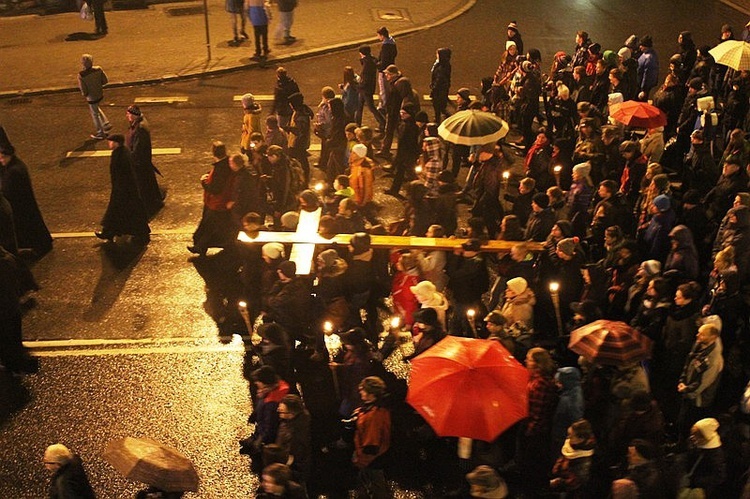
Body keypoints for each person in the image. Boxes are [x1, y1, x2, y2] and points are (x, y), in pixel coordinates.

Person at [96, 134, 150, 245]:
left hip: (124, 190)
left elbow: (124, 174)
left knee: (119, 212)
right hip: (123, 189)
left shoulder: (122, 155)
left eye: (111, 142)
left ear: (116, 143)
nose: (109, 144)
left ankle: (110, 232)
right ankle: (109, 232)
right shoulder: (120, 152)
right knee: (120, 212)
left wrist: (120, 189)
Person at [0, 145, 52, 257]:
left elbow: (8, 190)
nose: (2, 160)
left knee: (28, 229)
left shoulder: (14, 171)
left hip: (20, 206)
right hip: (23, 204)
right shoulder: (16, 166)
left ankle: (39, 248)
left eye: (3, 157)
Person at [188, 141, 236, 255]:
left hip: (216, 203)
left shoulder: (220, 168)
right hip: (220, 203)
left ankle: (200, 246)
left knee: (209, 227)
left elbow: (215, 188)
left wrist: (204, 182)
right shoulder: (228, 163)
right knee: (211, 227)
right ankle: (201, 246)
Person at [350, 376, 391, 499]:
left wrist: (359, 461)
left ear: (371, 394)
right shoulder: (371, 409)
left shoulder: (374, 416)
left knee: (377, 489)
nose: (360, 392)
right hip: (371, 459)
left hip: (372, 461)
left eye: (363, 390)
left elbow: (371, 447)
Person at [125, 105, 164, 219]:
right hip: (141, 163)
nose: (127, 116)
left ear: (134, 115)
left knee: (143, 185)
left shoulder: (140, 129)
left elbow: (138, 149)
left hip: (140, 163)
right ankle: (153, 202)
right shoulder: (137, 125)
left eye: (128, 114)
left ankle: (147, 207)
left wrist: (130, 159)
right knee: (147, 183)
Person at [77, 54, 110, 140]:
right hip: (99, 93)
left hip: (91, 97)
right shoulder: (98, 69)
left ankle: (100, 133)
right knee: (96, 108)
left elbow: (83, 90)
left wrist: (85, 95)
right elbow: (105, 81)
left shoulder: (81, 75)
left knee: (95, 114)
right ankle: (106, 123)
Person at [355, 45, 385, 130]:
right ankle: (357, 123)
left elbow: (365, 78)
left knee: (371, 107)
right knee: (359, 106)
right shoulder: (372, 60)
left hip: (365, 89)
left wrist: (358, 85)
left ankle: (382, 122)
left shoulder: (367, 64)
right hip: (368, 88)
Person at [375, 27, 397, 113]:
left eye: (378, 35)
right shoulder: (392, 43)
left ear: (382, 35)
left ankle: (384, 106)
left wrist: (377, 65)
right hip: (390, 68)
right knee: (388, 88)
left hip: (384, 71)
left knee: (383, 89)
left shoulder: (386, 46)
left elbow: (383, 61)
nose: (378, 37)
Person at [430, 47, 452, 122]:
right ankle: (438, 119)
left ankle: (438, 120)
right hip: (441, 90)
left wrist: (434, 88)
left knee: (438, 107)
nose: (436, 55)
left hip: (439, 91)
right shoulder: (442, 64)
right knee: (440, 107)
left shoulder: (442, 66)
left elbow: (439, 79)